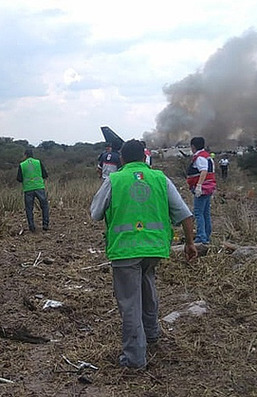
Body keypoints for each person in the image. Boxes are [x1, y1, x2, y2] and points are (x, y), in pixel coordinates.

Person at [90, 139, 198, 369]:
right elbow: (185, 215)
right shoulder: (160, 179)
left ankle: (134, 358)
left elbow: (95, 214)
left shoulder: (114, 180)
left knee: (130, 303)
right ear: (144, 157)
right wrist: (190, 244)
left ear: (122, 159)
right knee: (147, 286)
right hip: (155, 249)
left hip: (124, 251)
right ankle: (152, 334)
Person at [186, 136, 217, 245]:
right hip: (209, 187)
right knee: (205, 213)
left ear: (193, 147)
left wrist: (199, 186)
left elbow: (203, 171)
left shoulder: (200, 158)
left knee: (198, 213)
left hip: (203, 189)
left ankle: (201, 238)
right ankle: (206, 236)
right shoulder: (208, 157)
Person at [17, 148, 50, 232]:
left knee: (29, 208)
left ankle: (32, 227)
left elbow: (19, 179)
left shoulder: (22, 165)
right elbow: (45, 175)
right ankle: (45, 224)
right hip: (39, 187)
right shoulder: (38, 162)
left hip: (28, 189)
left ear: (25, 155)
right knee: (44, 206)